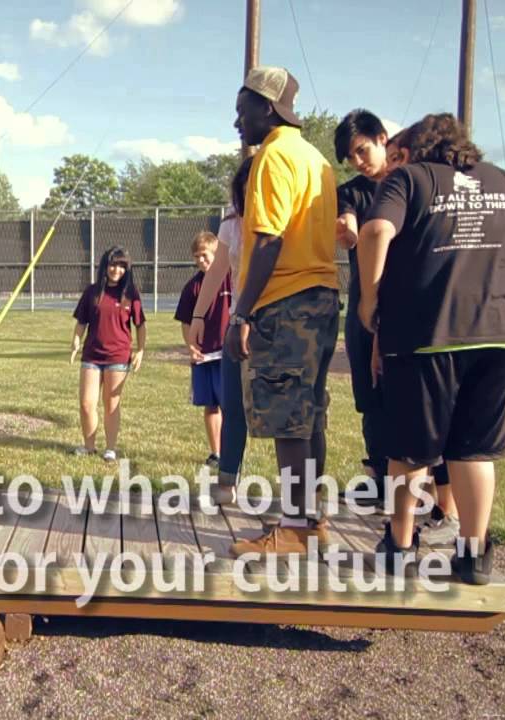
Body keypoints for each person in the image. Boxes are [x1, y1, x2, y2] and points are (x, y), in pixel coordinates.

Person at [357, 113, 505, 583]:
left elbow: (374, 233)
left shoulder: (409, 179)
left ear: (418, 149)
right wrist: (502, 270)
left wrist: (371, 300)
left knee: (410, 449)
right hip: (501, 331)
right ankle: (473, 554)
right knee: (474, 450)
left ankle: (400, 546)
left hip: (427, 332)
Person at [224, 67, 340, 556]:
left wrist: (241, 314)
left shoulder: (273, 157)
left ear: (266, 106)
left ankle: (292, 530)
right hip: (322, 294)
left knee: (287, 415)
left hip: (285, 299)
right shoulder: (316, 158)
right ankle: (309, 519)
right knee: (310, 414)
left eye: (241, 109)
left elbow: (269, 240)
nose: (236, 122)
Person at [335, 113, 459, 543]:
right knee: (371, 397)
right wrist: (346, 230)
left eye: (363, 150)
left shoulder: (413, 183)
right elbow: (351, 227)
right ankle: (384, 483)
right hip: (368, 307)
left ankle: (444, 504)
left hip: (413, 309)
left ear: (384, 140)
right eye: (350, 157)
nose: (359, 161)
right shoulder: (350, 192)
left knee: (426, 405)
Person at [191, 157, 253, 503]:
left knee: (290, 417)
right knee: (232, 403)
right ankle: (227, 481)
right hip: (241, 318)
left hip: (279, 317)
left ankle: (303, 500)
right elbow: (219, 267)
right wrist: (200, 315)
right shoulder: (233, 214)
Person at [70, 245, 147, 463]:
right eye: (113, 265)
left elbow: (140, 325)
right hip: (91, 356)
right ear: (105, 266)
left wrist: (140, 350)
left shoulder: (131, 295)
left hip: (118, 358)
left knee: (111, 404)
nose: (117, 270)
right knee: (86, 404)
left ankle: (110, 448)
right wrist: (76, 341)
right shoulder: (91, 292)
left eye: (122, 266)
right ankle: (89, 446)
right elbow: (81, 322)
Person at [174, 231, 232, 469]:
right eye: (196, 257)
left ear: (217, 253)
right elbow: (186, 322)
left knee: (230, 405)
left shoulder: (231, 278)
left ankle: (232, 451)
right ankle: (216, 452)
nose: (201, 261)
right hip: (204, 355)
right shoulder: (192, 287)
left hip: (228, 353)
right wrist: (191, 346)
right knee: (211, 404)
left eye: (205, 255)